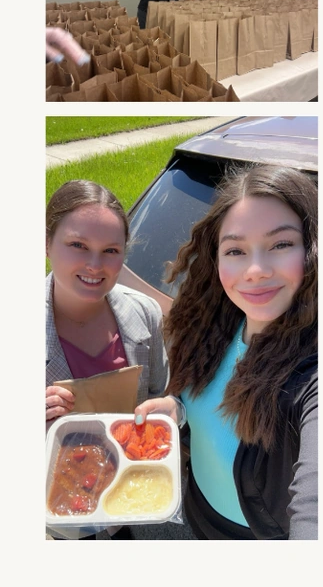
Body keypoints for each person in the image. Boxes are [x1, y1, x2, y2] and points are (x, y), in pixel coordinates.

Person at [134, 165, 318, 540]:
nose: (254, 270)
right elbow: (206, 403)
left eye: (281, 245)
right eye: (235, 250)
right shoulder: (215, 325)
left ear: (313, 249)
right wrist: (178, 408)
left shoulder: (319, 371)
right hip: (197, 512)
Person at [45, 180, 168, 539]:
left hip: (126, 497)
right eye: (77, 245)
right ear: (46, 243)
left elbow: (159, 392)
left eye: (111, 250)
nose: (95, 265)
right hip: (58, 515)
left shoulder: (145, 314)